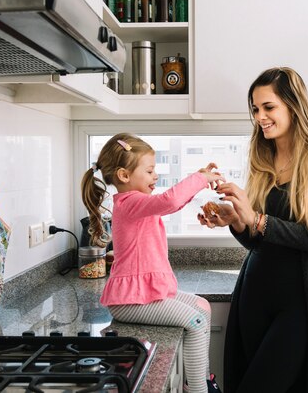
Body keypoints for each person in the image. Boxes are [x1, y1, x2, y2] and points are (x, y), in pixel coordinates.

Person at [198, 67, 308, 393]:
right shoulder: (262, 159)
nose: (260, 117)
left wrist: (256, 220)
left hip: (300, 305)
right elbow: (259, 241)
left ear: (294, 107)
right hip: (254, 295)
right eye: (255, 109)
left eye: (269, 107)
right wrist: (236, 221)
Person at [81, 133, 224, 393]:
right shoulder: (129, 203)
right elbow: (168, 200)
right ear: (124, 175)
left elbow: (171, 204)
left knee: (202, 306)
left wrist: (199, 182)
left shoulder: (138, 204)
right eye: (149, 171)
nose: (155, 176)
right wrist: (201, 179)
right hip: (130, 302)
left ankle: (203, 379)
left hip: (142, 294)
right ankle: (197, 390)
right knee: (197, 322)